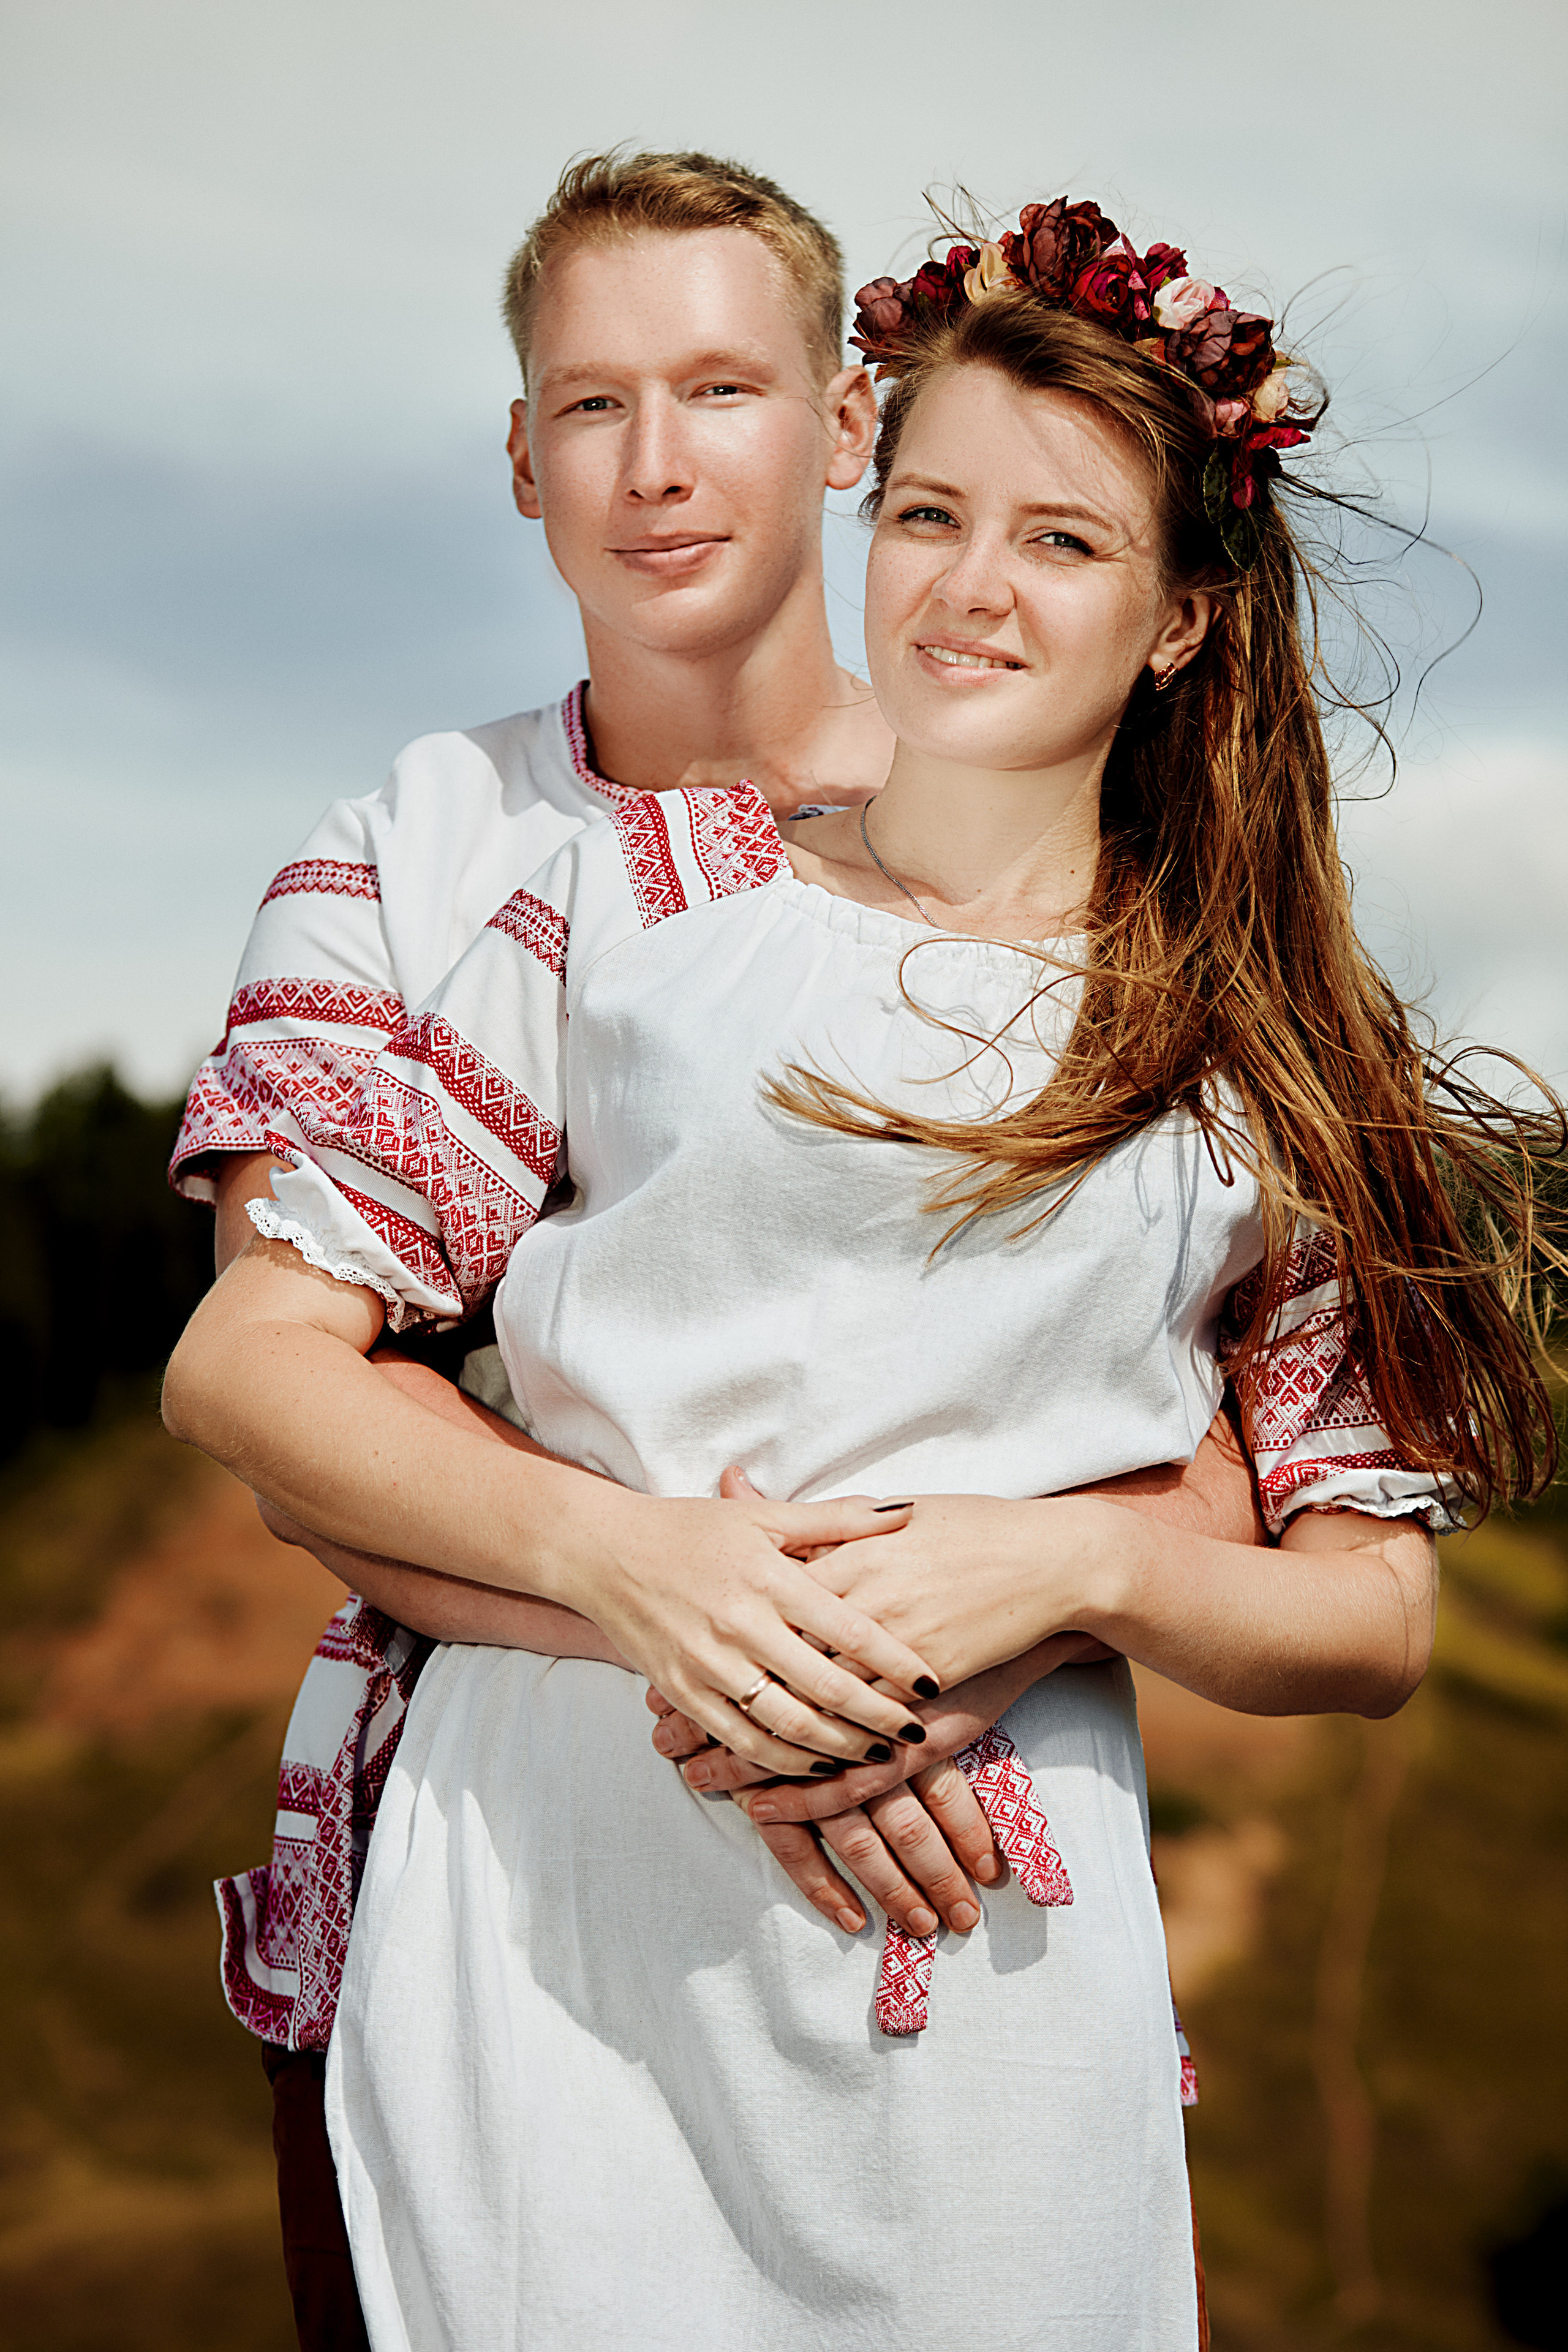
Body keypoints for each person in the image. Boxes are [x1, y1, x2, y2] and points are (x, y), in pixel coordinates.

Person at [163, 194, 1561, 2346]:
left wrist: (1025, 1583)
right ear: (514, 455)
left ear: (827, 424)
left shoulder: (1207, 989)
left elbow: (1292, 1529)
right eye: (592, 403)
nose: (659, 465)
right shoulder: (506, 882)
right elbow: (278, 1400)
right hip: (544, 1883)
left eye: (719, 392)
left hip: (975, 1934)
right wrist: (686, 1604)